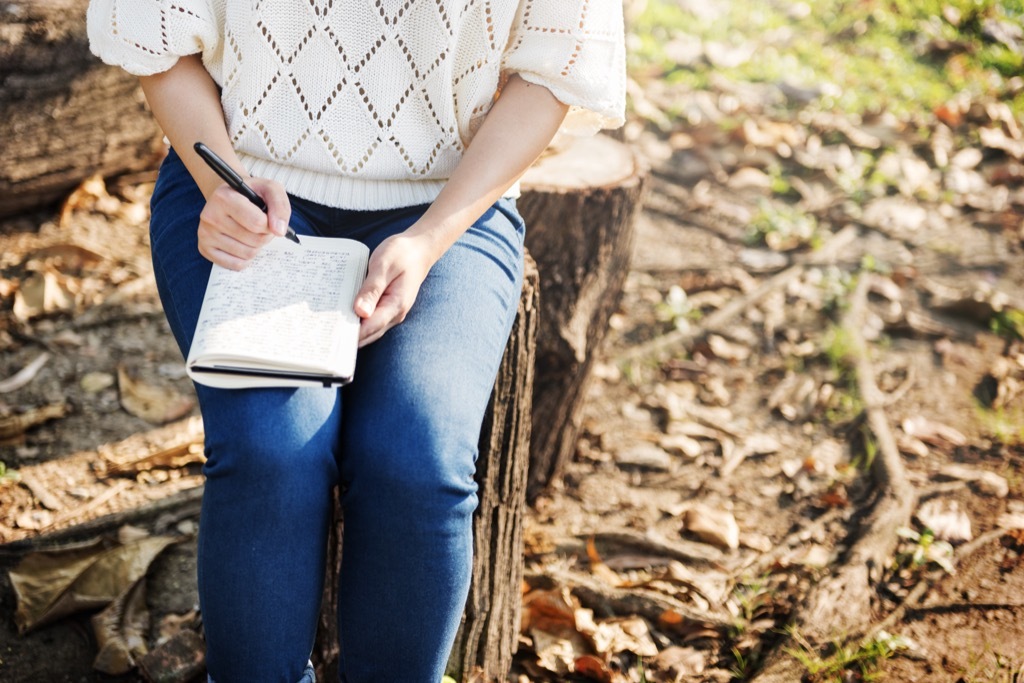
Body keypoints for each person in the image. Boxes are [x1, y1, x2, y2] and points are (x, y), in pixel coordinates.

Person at [86, 1, 625, 681]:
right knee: (271, 448)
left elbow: (553, 70)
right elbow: (157, 36)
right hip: (241, 189)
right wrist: (223, 187)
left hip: (451, 206)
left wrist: (428, 240)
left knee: (416, 460)